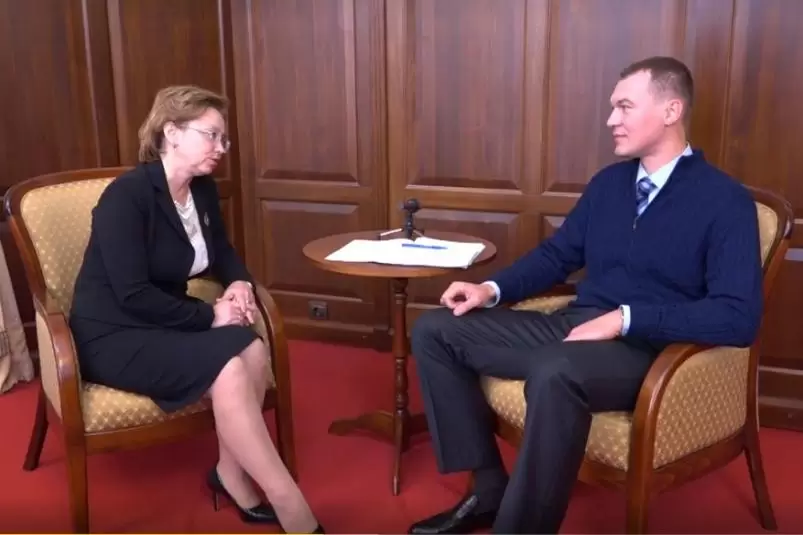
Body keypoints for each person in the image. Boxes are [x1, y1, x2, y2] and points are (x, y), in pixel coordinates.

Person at [407, 56, 763, 534]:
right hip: (575, 324)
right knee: (435, 330)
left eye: (624, 106)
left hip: (647, 349)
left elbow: (737, 316)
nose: (611, 119)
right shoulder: (609, 184)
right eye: (613, 107)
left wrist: (625, 318)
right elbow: (558, 256)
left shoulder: (725, 201)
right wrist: (490, 289)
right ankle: (488, 489)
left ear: (671, 110)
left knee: (555, 371)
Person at [69, 85, 324, 534]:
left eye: (224, 139)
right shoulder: (126, 197)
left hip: (164, 316)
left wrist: (240, 282)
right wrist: (211, 316)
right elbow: (132, 294)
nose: (221, 148)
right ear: (171, 132)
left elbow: (221, 251)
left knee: (252, 347)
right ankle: (291, 504)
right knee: (228, 367)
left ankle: (230, 474)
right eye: (212, 135)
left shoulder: (200, 190)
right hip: (112, 332)